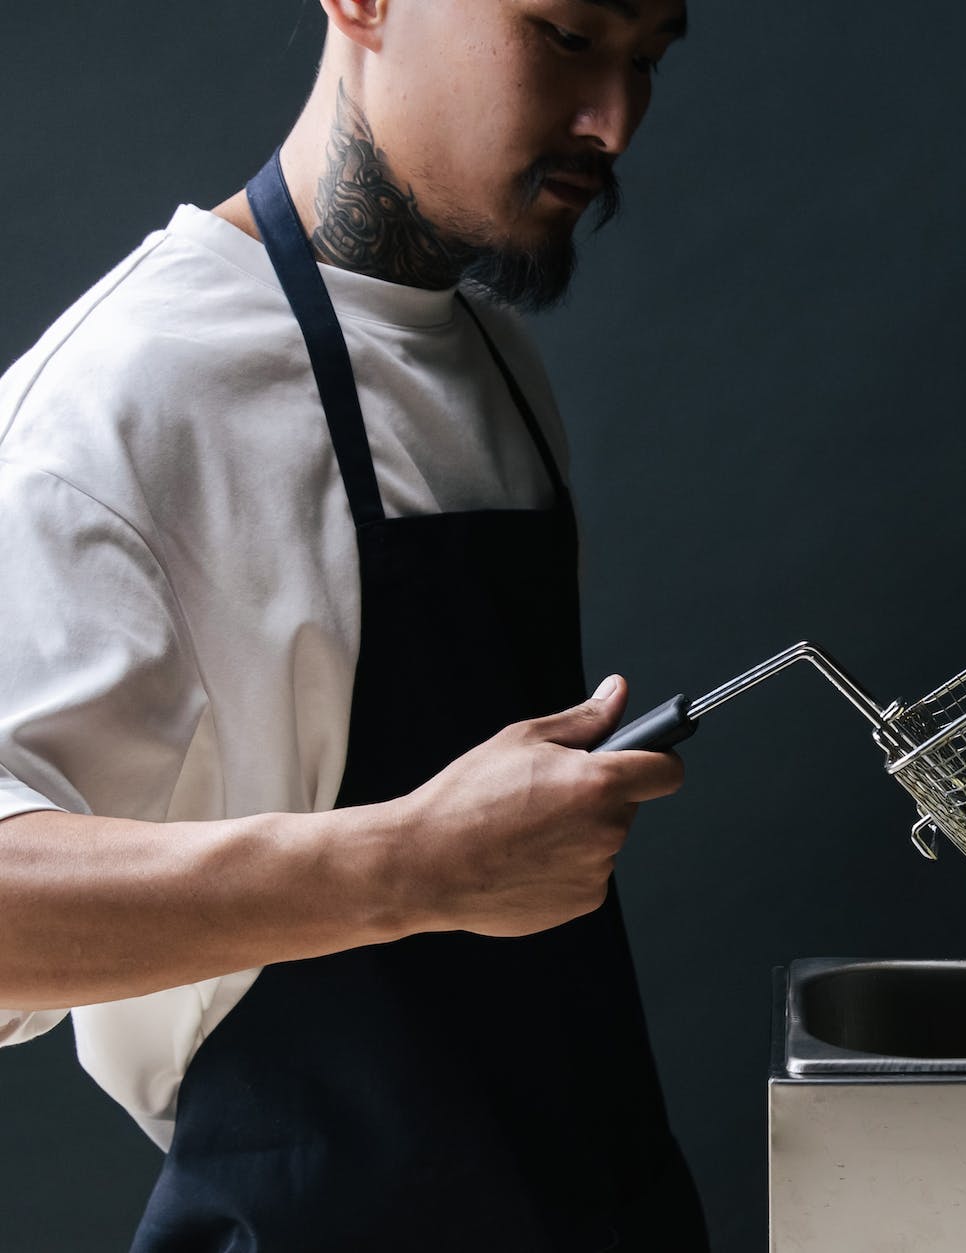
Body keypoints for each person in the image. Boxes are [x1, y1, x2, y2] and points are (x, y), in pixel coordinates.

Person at [0, 1, 708, 1248]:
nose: (614, 120)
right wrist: (413, 866)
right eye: (563, 35)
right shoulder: (123, 397)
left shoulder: (494, 357)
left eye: (644, 60)